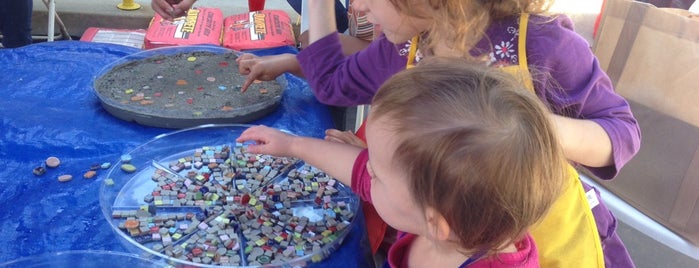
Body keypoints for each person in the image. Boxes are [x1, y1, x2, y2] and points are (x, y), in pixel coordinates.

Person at [239, 1, 642, 267]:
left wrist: (521, 126)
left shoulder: (542, 42)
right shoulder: (405, 46)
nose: (358, 6)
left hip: (558, 244)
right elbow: (332, 84)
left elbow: (621, 132)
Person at [237, 58, 569, 268]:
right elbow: (358, 169)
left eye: (377, 174)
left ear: (435, 223)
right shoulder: (441, 213)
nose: (366, 169)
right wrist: (293, 144)